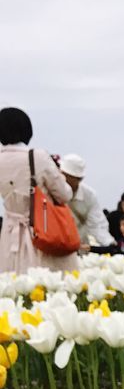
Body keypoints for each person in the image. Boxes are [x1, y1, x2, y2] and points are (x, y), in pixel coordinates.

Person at [0, 107, 79, 272]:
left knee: (13, 286)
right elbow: (64, 195)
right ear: (27, 130)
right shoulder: (37, 157)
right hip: (42, 231)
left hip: (10, 235)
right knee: (45, 283)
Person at [59, 154, 113, 249]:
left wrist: (109, 244)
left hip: (80, 245)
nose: (62, 178)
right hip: (57, 244)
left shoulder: (89, 195)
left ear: (79, 179)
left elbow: (97, 225)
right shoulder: (52, 191)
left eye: (67, 176)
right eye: (62, 174)